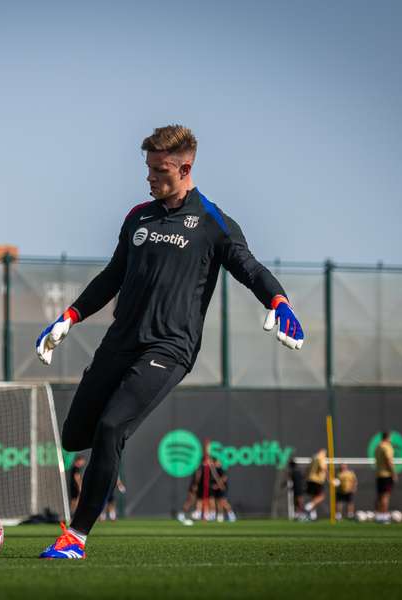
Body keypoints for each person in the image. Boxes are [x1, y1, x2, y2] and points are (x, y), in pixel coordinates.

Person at [35, 125, 304, 559]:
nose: (150, 178)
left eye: (159, 170)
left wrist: (279, 300)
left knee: (110, 429)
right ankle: (88, 499)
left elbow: (250, 268)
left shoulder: (213, 222)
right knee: (74, 436)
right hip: (119, 342)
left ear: (185, 167)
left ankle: (76, 538)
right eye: (148, 169)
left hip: (169, 349)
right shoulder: (138, 217)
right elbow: (112, 276)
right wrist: (70, 317)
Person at [374, 431, 396, 524]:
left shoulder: (378, 446)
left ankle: (379, 516)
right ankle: (384, 516)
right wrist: (393, 473)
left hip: (379, 474)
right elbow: (388, 460)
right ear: (388, 437)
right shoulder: (387, 446)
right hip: (386, 474)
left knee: (380, 496)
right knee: (385, 496)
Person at [303, 449, 327, 520]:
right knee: (321, 496)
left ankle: (312, 515)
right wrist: (330, 478)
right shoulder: (321, 457)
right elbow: (323, 468)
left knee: (313, 498)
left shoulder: (313, 457)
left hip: (309, 479)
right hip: (317, 480)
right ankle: (308, 506)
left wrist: (306, 477)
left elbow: (307, 469)